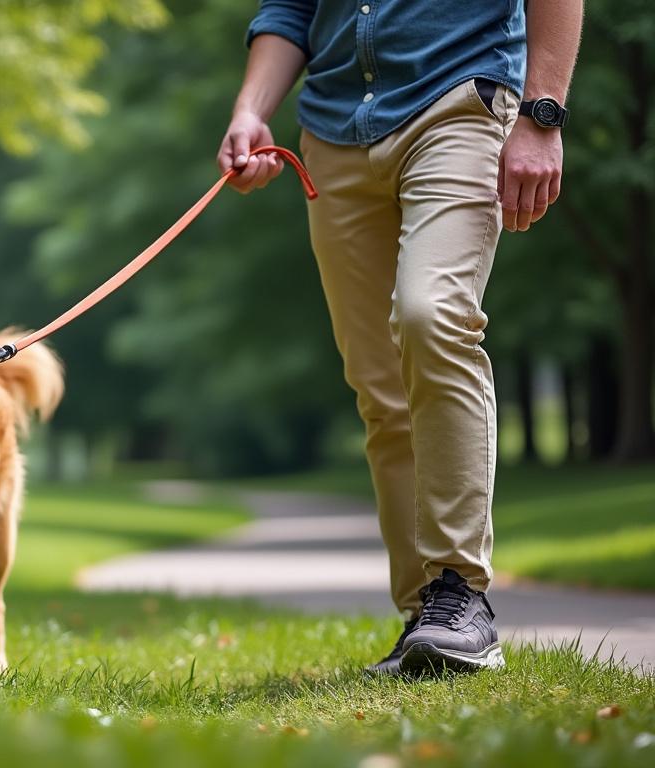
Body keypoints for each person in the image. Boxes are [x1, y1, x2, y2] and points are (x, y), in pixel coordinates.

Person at [220, 1, 583, 675]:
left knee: (431, 315)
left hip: (459, 101)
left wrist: (542, 116)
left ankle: (460, 592)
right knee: (379, 382)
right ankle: (427, 618)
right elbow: (291, 9)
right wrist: (251, 111)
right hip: (332, 131)